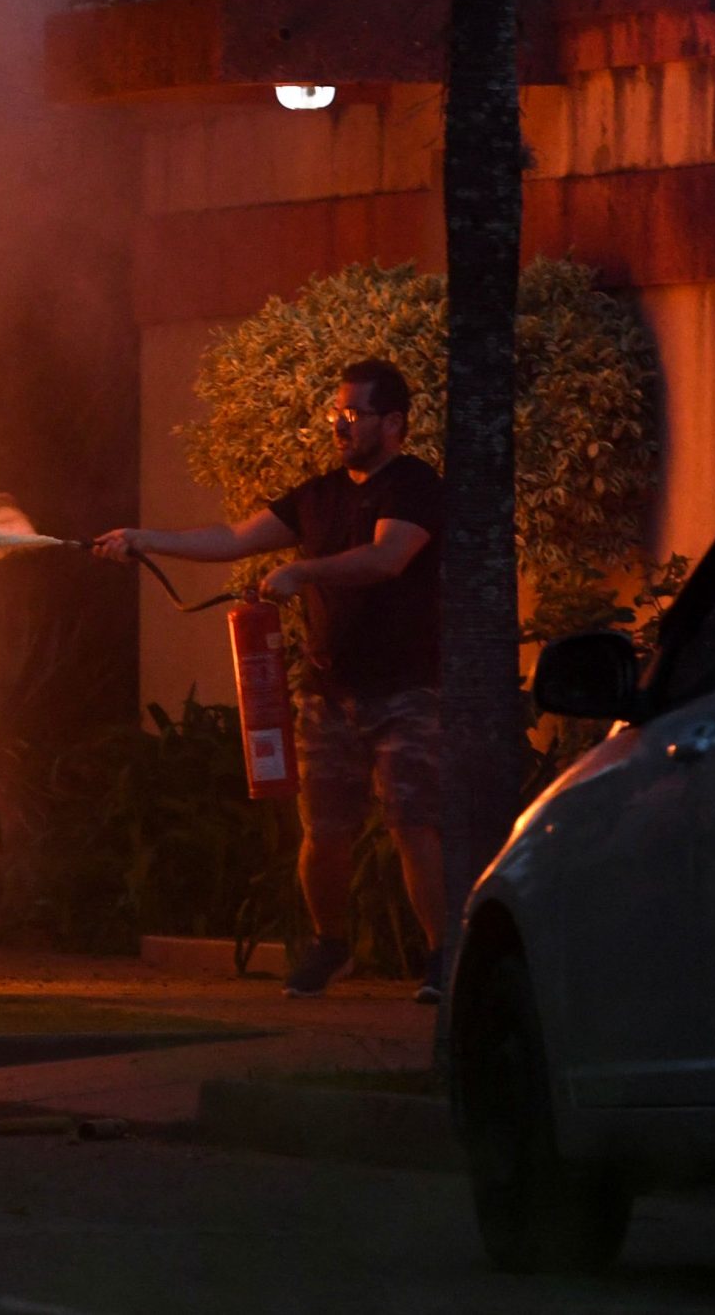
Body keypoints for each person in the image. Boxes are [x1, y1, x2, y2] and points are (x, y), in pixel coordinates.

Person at [94, 358, 447, 1003]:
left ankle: (443, 959)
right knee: (324, 831)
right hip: (328, 693)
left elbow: (388, 557)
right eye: (335, 413)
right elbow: (232, 538)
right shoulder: (317, 495)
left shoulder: (415, 485)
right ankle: (332, 946)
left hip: (406, 691)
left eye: (354, 414)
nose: (340, 425)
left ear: (393, 422)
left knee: (412, 823)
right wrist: (143, 538)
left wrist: (302, 574)